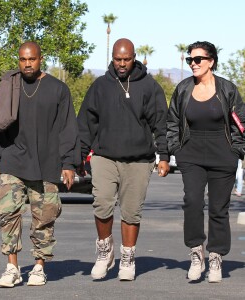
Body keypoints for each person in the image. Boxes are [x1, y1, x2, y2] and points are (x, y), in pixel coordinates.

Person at [0, 41, 80, 288]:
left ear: (41, 59)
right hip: (12, 160)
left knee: (44, 218)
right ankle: (12, 267)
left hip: (46, 162)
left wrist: (68, 163)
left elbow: (68, 129)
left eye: (32, 59)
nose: (27, 64)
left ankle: (39, 267)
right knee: (8, 214)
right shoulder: (9, 85)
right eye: (23, 60)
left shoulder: (58, 89)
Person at [77, 38, 169, 281]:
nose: (121, 64)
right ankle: (104, 252)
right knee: (102, 203)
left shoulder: (149, 86)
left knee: (131, 211)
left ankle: (127, 258)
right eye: (118, 59)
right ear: (112, 58)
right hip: (104, 157)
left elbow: (160, 123)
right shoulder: (100, 86)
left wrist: (164, 156)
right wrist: (78, 156)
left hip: (139, 160)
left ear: (134, 57)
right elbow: (86, 123)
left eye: (126, 59)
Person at [167, 41, 245, 283]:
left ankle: (215, 257)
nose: (193, 63)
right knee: (192, 202)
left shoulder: (227, 90)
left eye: (198, 59)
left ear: (211, 62)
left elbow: (240, 124)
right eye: (190, 59)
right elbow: (172, 122)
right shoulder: (183, 89)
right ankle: (196, 253)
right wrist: (176, 149)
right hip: (191, 155)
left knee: (218, 208)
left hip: (223, 155)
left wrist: (237, 152)